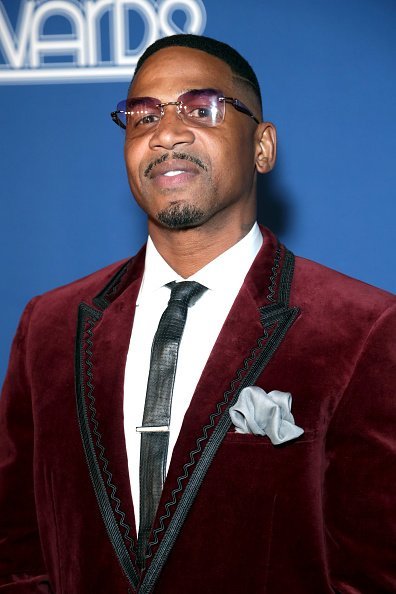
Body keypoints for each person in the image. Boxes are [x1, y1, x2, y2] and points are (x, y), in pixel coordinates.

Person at [0, 34, 395, 594]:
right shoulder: (49, 326)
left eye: (201, 108)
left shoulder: (364, 328)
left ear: (262, 146)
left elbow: (377, 571)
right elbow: (16, 555)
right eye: (142, 116)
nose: (166, 132)